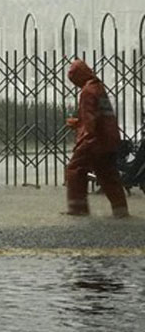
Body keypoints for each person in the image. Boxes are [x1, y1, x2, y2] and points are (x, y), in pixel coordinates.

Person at [64, 59, 129, 217]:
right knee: (107, 174)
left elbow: (91, 120)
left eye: (74, 78)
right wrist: (79, 123)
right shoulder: (98, 87)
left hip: (94, 140)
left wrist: (83, 140)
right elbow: (100, 116)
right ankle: (120, 209)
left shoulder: (87, 91)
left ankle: (77, 209)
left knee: (74, 170)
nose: (74, 83)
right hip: (108, 138)